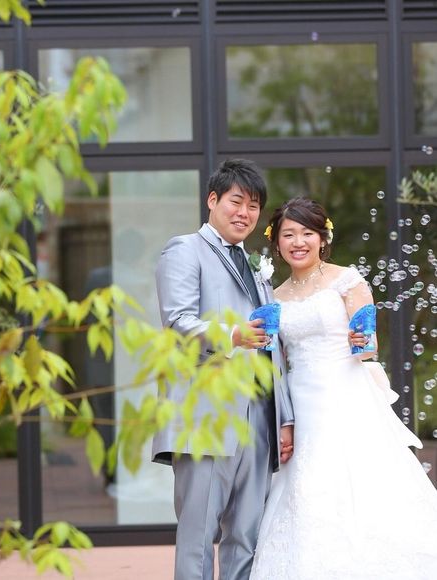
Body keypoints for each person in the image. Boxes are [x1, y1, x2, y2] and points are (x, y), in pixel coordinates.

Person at [250, 196, 437, 579]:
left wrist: (361, 340)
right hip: (302, 401)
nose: (298, 242)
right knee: (306, 487)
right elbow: (278, 361)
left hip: (346, 394)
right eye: (289, 234)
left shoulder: (347, 280)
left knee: (361, 481)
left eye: (307, 233)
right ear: (276, 241)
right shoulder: (274, 296)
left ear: (322, 238)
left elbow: (368, 345)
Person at [152, 158, 295, 580]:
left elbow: (274, 350)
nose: (244, 213)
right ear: (212, 200)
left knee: (247, 538)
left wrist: (284, 418)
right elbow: (177, 322)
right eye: (236, 201)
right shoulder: (184, 249)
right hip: (206, 416)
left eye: (253, 206)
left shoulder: (257, 268)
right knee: (198, 537)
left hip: (259, 420)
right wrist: (231, 335)